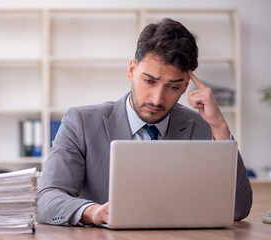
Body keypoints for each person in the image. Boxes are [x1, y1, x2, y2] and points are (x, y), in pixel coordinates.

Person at [35, 18, 252, 226]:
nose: (157, 99)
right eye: (149, 81)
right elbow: (47, 199)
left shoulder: (205, 127)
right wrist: (93, 212)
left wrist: (220, 128)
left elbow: (238, 208)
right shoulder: (81, 123)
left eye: (173, 87)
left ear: (186, 86)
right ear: (132, 71)